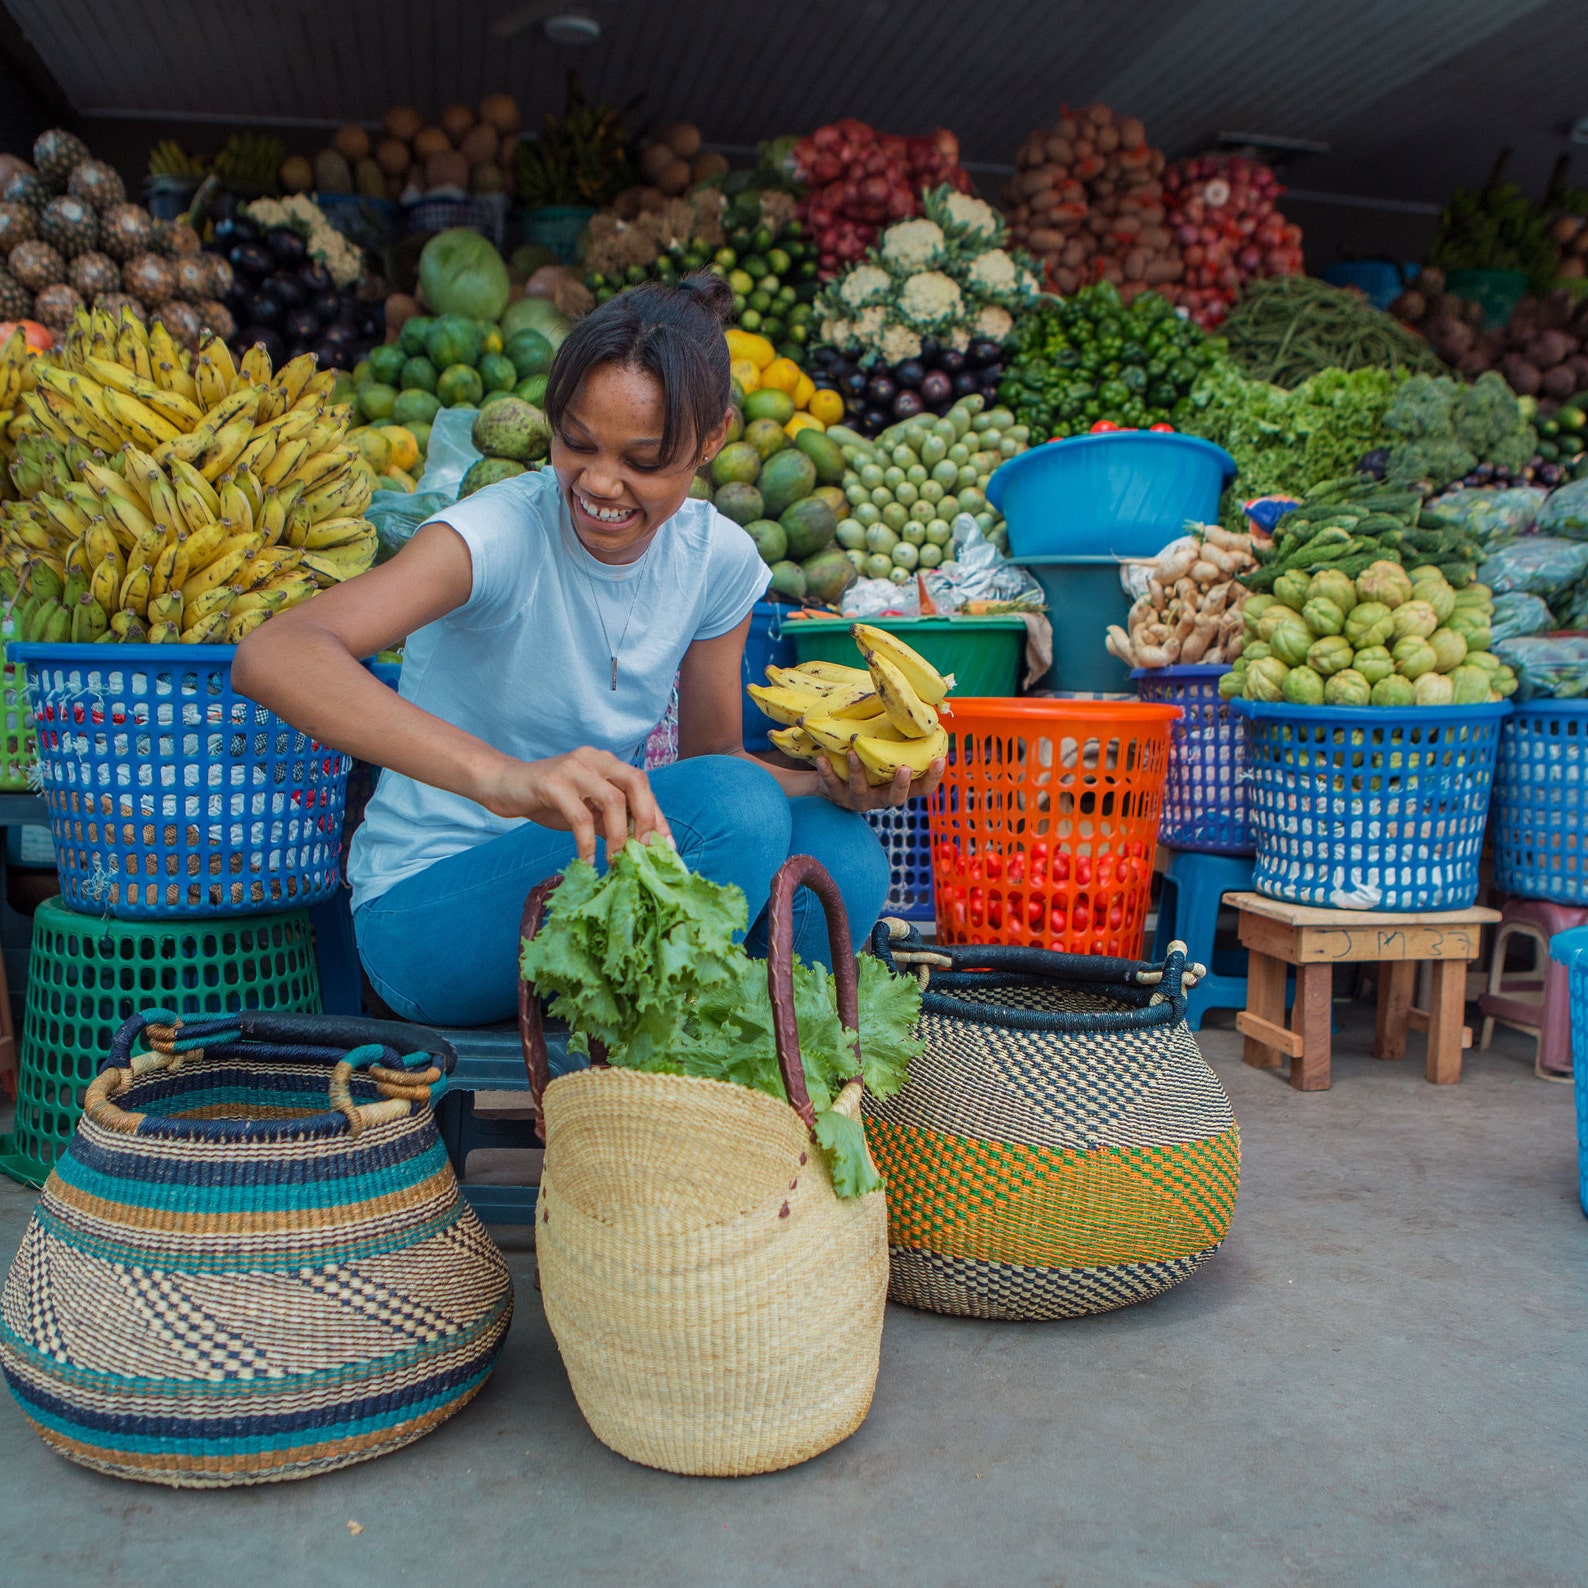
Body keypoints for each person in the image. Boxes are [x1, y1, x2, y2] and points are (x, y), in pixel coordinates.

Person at [234, 273, 944, 1026]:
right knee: (735, 812)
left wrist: (835, 785)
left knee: (845, 856)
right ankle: (667, 1064)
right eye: (577, 443)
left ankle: (728, 1085)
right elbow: (275, 653)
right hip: (427, 912)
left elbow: (714, 762)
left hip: (581, 879)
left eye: (644, 460)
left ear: (713, 440)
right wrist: (503, 779)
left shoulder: (719, 560)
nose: (601, 482)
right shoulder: (498, 534)